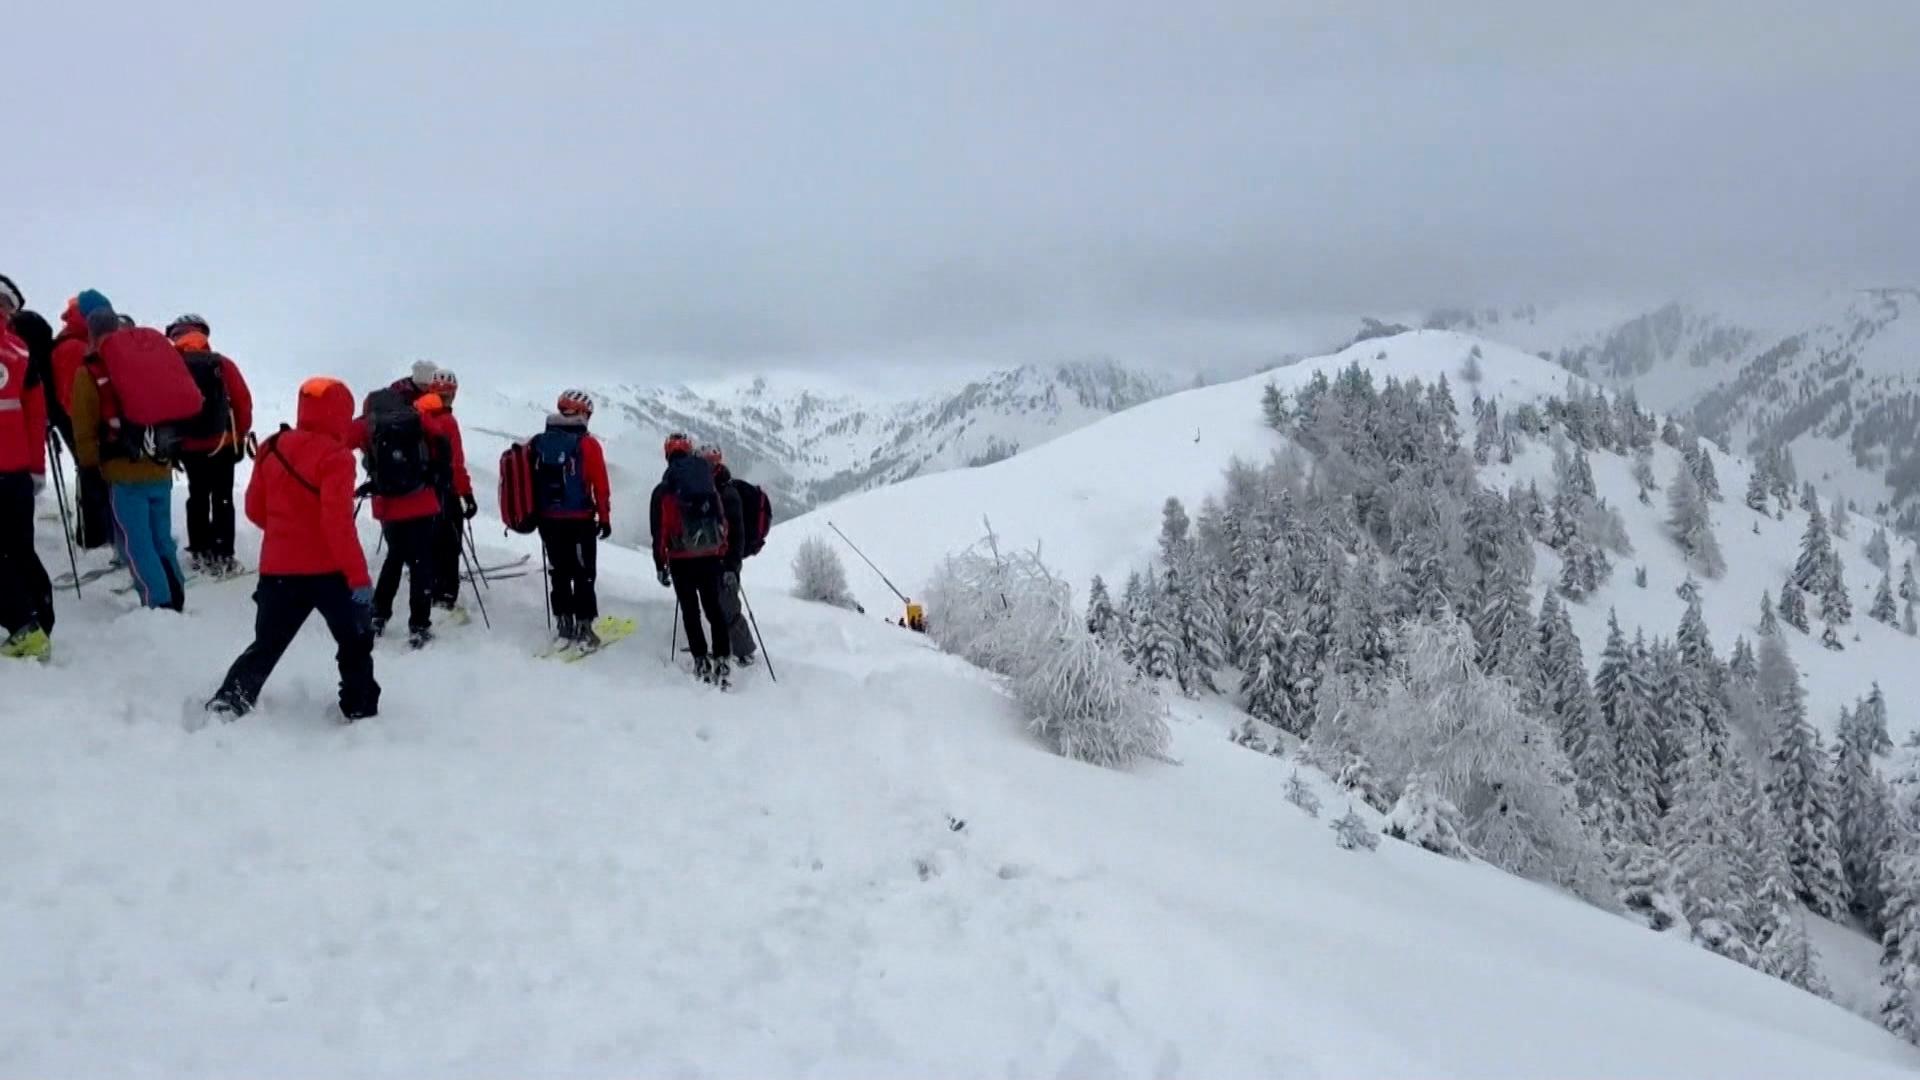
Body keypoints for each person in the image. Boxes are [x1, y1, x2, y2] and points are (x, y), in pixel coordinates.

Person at [208, 377, 378, 720]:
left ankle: (231, 699)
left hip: (279, 571)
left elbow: (255, 509)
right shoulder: (337, 457)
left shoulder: (272, 446)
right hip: (329, 572)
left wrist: (289, 533)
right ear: (342, 413)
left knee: (267, 644)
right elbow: (337, 525)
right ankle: (359, 706)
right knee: (354, 640)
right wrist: (358, 577)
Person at [68, 290, 187, 611]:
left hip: (123, 472)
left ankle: (159, 604)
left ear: (90, 333)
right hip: (160, 465)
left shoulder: (89, 371)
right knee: (161, 538)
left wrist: (90, 467)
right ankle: (176, 595)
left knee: (136, 543)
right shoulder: (143, 364)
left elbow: (84, 428)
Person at [364, 390, 459, 647]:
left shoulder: (371, 424)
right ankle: (418, 625)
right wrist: (439, 475)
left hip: (389, 505)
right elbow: (442, 442)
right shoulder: (417, 419)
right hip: (421, 502)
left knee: (394, 558)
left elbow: (356, 450)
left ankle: (378, 615)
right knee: (421, 563)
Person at [166, 314, 253, 578]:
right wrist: (240, 434)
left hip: (189, 445)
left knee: (198, 496)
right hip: (222, 444)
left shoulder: (171, 366)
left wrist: (172, 444)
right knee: (223, 498)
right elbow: (242, 401)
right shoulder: (222, 364)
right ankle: (224, 553)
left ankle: (200, 550)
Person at [530, 390, 612, 646]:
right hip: (579, 519)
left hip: (548, 519)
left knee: (559, 571)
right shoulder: (588, 444)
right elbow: (600, 484)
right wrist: (605, 517)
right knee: (584, 573)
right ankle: (584, 626)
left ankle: (563, 622)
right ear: (582, 413)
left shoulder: (538, 442)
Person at [651, 432, 732, 682]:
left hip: (680, 558)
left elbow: (659, 531)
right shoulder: (706, 481)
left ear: (667, 454)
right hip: (709, 555)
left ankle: (700, 659)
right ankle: (722, 658)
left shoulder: (664, 488)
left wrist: (660, 564)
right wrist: (721, 550)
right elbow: (721, 519)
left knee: (690, 610)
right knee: (714, 608)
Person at [0, 312, 53, 659]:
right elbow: (37, 414)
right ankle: (41, 618)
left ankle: (24, 627)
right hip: (17, 468)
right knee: (19, 547)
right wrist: (36, 468)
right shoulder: (18, 347)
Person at [48, 296, 110, 549]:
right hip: (78, 420)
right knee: (92, 472)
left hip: (76, 419)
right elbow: (73, 392)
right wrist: (87, 424)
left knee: (92, 473)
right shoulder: (74, 346)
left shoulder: (74, 339)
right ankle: (93, 537)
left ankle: (94, 533)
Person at [419, 370, 475, 616]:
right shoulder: (447, 422)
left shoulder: (416, 415)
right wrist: (467, 495)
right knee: (450, 546)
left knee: (428, 545)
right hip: (446, 492)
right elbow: (456, 464)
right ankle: (446, 598)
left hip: (419, 493)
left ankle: (427, 591)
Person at [699, 445, 756, 665]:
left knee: (729, 608)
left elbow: (738, 535)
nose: (707, 467)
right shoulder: (710, 489)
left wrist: (732, 567)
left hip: (727, 562)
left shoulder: (728, 493)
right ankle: (730, 648)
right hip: (714, 559)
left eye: (710, 463)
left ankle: (745, 652)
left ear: (717, 464)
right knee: (717, 607)